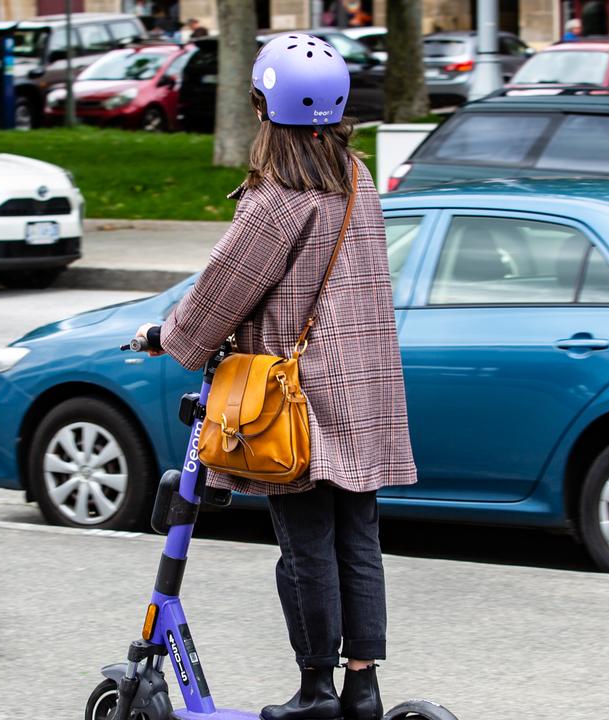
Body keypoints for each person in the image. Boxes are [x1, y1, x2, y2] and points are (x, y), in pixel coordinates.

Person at [134, 32, 416, 720]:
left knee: (305, 545)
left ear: (264, 107)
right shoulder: (357, 177)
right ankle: (362, 688)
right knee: (358, 537)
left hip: (299, 399)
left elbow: (220, 293)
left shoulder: (278, 197)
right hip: (366, 388)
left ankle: (316, 690)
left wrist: (164, 337)